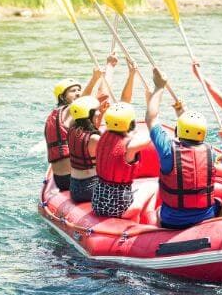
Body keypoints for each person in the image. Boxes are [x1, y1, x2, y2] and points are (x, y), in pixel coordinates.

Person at [146, 68, 218, 229]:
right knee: (219, 204)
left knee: (156, 212)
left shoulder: (168, 150)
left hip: (172, 221)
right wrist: (182, 116)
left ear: (178, 130)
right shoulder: (211, 152)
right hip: (206, 218)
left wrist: (159, 87)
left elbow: (151, 118)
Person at [66, 63, 137, 203]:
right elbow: (124, 106)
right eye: (96, 110)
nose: (99, 112)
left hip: (74, 187)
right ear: (89, 113)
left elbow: (80, 105)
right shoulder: (95, 139)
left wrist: (109, 69)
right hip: (90, 188)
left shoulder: (72, 128)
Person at [45, 56, 116, 191]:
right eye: (73, 91)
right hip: (70, 179)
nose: (77, 93)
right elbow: (102, 94)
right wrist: (109, 68)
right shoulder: (67, 112)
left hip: (61, 179)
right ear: (61, 96)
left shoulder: (59, 116)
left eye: (79, 90)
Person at [92, 102, 152, 217]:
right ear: (130, 123)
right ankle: (145, 217)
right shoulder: (130, 145)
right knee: (151, 186)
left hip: (98, 204)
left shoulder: (102, 137)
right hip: (118, 209)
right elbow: (151, 136)